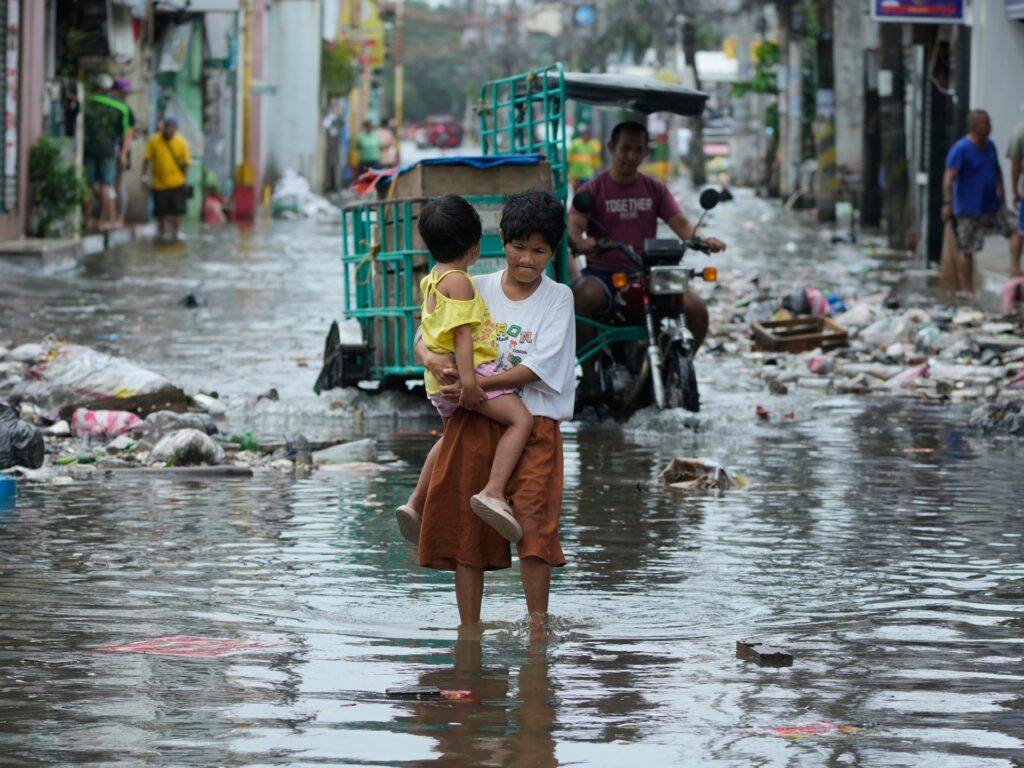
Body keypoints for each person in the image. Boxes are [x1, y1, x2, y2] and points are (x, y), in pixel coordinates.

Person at [408, 189, 574, 630]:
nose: (526, 260)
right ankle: (469, 630)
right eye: (519, 248)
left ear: (553, 253)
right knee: (469, 529)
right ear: (501, 241)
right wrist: (433, 362)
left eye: (539, 251)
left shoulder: (559, 298)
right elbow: (424, 336)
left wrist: (475, 384)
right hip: (475, 419)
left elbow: (538, 368)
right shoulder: (472, 285)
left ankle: (537, 627)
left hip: (535, 422)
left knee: (535, 525)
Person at [395, 194, 535, 542]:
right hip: (467, 376)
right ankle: (493, 490)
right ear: (474, 247)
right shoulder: (460, 281)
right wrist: (472, 387)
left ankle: (415, 503)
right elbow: (462, 338)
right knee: (521, 420)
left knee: (449, 438)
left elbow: (428, 332)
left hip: (437, 382)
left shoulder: (432, 279)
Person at [568, 120, 726, 390]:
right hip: (605, 272)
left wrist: (702, 241)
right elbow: (575, 226)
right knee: (580, 298)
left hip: (647, 271)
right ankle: (591, 375)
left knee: (697, 309)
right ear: (611, 148)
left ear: (645, 153)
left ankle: (679, 366)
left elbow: (683, 226)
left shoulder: (656, 189)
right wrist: (581, 242)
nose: (630, 156)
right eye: (624, 148)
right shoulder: (592, 190)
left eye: (637, 150)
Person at [942, 110, 1014, 296]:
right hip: (968, 210)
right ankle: (968, 290)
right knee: (967, 249)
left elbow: (997, 172)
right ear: (975, 126)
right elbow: (949, 179)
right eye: (986, 123)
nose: (990, 127)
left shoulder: (990, 146)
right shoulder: (961, 149)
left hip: (992, 206)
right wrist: (948, 203)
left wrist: (1004, 198)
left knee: (1015, 230)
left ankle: (1015, 270)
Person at [83, 73, 132, 232]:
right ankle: (101, 222)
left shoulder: (88, 101)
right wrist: (123, 154)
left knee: (88, 184)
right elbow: (128, 132)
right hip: (109, 149)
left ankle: (87, 220)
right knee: (106, 185)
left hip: (88, 147)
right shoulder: (121, 107)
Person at [141, 116, 191, 242]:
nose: (169, 130)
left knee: (177, 211)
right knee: (160, 212)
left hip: (177, 182)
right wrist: (144, 176)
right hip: (159, 184)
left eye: (172, 128)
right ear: (163, 128)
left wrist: (185, 179)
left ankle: (177, 233)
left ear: (175, 129)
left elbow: (186, 163)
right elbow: (147, 159)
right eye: (167, 128)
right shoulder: (154, 141)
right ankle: (161, 232)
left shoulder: (181, 142)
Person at [110, 77, 136, 228]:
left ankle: (120, 217)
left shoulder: (125, 109)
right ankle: (112, 217)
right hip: (107, 151)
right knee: (109, 186)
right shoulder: (110, 106)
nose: (123, 95)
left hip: (120, 153)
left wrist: (123, 154)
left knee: (119, 186)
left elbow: (129, 133)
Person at [1007, 115, 1024, 277]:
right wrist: (1014, 190)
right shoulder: (1020, 131)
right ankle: (1015, 267)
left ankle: (1015, 266)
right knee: (1022, 230)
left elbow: (1015, 165)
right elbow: (1015, 165)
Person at [568, 123, 602, 191]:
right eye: (586, 134)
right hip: (576, 173)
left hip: (587, 173)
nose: (587, 136)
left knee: (587, 191)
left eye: (589, 135)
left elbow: (597, 152)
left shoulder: (592, 144)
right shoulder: (576, 143)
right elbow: (569, 156)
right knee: (576, 191)